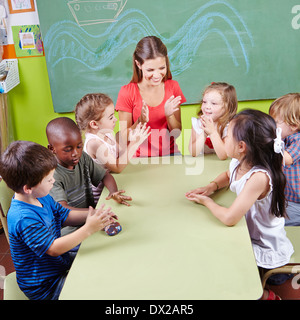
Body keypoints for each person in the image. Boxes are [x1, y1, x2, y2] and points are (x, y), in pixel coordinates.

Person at [185, 109, 294, 300]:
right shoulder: (240, 161)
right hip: (247, 235)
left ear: (241, 146)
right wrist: (212, 186)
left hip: (265, 248)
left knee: (232, 280)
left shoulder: (259, 177)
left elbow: (229, 218)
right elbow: (229, 175)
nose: (223, 137)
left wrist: (206, 201)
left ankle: (268, 295)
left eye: (227, 135)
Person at [0, 140, 116, 300]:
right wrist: (88, 228)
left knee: (105, 258)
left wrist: (95, 215)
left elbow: (64, 215)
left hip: (58, 263)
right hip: (46, 285)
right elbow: (53, 248)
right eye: (48, 180)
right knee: (98, 289)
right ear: (28, 188)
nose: (53, 181)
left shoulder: (41, 196)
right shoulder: (23, 218)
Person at [46, 117, 132, 234]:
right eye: (68, 149)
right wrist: (95, 214)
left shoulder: (83, 158)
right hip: (70, 232)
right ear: (52, 149)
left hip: (91, 220)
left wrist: (113, 192)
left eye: (79, 146)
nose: (75, 153)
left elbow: (105, 176)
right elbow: (63, 210)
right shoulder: (51, 176)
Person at [115, 36, 186, 157]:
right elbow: (122, 137)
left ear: (166, 60)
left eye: (162, 68)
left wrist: (169, 116)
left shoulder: (173, 87)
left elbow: (176, 133)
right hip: (138, 157)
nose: (157, 75)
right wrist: (140, 121)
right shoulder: (127, 92)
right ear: (138, 64)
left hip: (170, 155)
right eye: (150, 70)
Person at [75, 93, 150, 173]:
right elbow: (117, 168)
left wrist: (140, 121)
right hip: (97, 184)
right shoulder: (94, 143)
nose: (115, 119)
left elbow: (121, 154)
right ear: (94, 124)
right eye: (111, 117)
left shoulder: (107, 134)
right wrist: (134, 143)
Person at [269, 93, 300, 226]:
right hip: (288, 198)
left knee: (275, 221)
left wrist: (265, 149)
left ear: (293, 125)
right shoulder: (283, 138)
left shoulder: (298, 140)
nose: (271, 126)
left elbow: (286, 159)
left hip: (297, 202)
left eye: (275, 122)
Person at [188, 82, 237, 159]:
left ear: (227, 108)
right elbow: (193, 153)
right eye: (204, 102)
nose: (207, 107)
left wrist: (212, 132)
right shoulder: (197, 123)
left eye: (214, 103)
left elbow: (223, 156)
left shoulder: (229, 125)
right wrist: (204, 133)